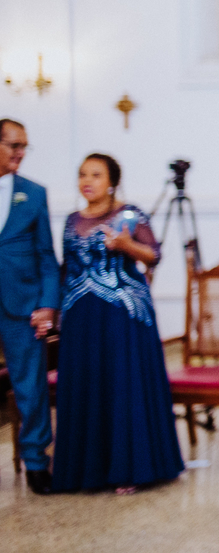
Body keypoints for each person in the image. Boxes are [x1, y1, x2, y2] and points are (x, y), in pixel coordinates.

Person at [52, 153, 184, 493]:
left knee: (121, 386)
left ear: (112, 182)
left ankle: (130, 468)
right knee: (87, 385)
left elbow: (154, 255)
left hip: (122, 316)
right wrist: (54, 311)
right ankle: (86, 471)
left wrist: (127, 245)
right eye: (83, 174)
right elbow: (67, 268)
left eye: (96, 175)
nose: (87, 181)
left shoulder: (130, 214)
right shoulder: (71, 220)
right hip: (81, 317)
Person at [0, 118, 59, 494]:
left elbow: (47, 257)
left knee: (31, 386)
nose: (21, 152)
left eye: (25, 146)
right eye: (14, 145)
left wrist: (48, 305)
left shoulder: (34, 194)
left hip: (22, 305)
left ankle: (36, 461)